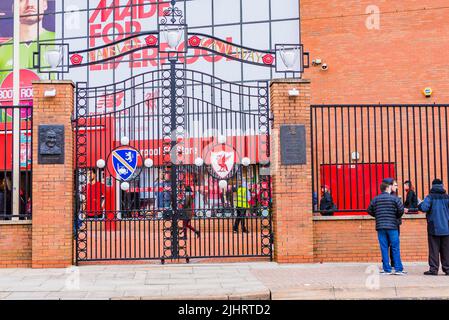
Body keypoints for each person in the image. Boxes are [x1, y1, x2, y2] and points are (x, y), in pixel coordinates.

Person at [0, 0, 56, 84]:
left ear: (45, 4)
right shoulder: (3, 50)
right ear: (13, 8)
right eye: (22, 0)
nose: (29, 4)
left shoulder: (57, 40)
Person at [367, 181, 406, 275]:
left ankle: (386, 269)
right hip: (392, 226)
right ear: (388, 188)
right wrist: (395, 216)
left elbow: (369, 210)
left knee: (384, 247)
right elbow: (401, 210)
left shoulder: (375, 199)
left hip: (380, 226)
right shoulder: (394, 199)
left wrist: (377, 216)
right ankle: (398, 269)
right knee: (395, 247)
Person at [418, 179, 449, 276]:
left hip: (433, 228)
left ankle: (433, 269)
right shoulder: (447, 197)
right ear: (442, 185)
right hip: (446, 228)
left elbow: (424, 208)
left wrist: (420, 203)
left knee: (434, 249)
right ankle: (447, 269)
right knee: (446, 250)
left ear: (432, 186)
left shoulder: (430, 197)